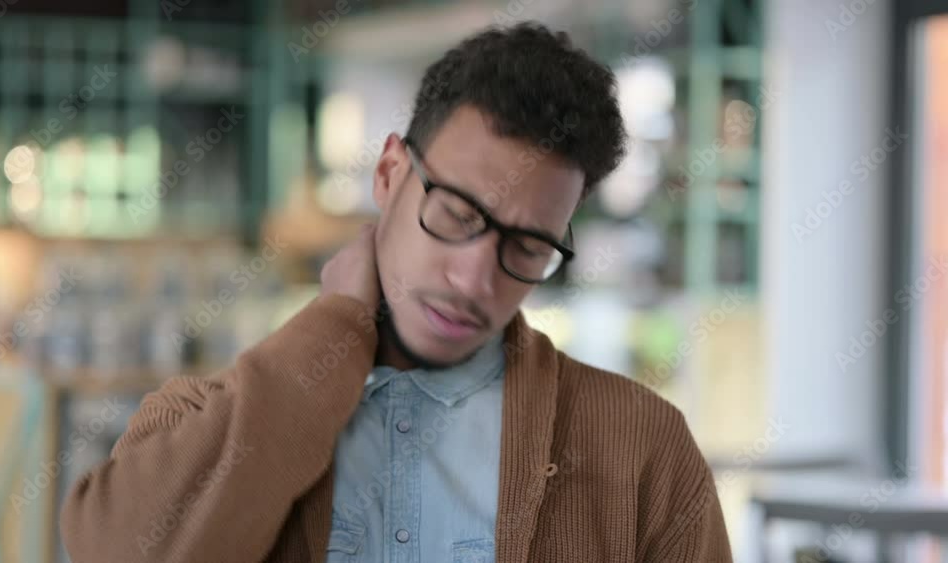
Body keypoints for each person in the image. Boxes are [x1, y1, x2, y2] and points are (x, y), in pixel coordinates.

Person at [60, 21, 731, 563]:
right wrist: (333, 327)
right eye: (458, 214)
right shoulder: (202, 418)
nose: (475, 278)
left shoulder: (641, 450)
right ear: (389, 173)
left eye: (527, 246)